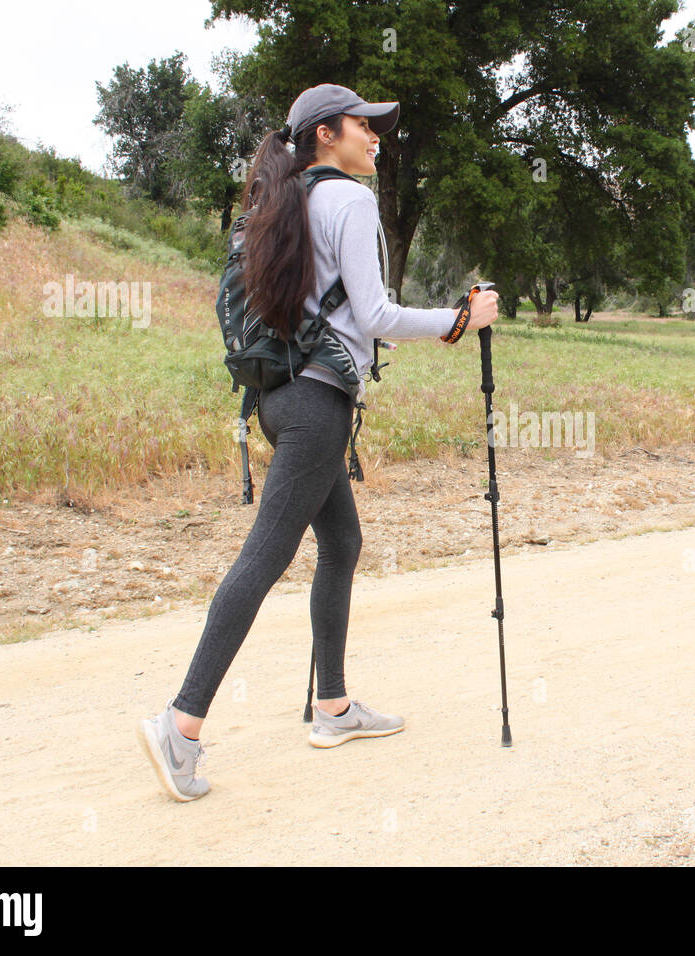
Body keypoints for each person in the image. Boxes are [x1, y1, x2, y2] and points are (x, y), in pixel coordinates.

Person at [137, 83, 498, 802]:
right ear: (327, 133)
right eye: (366, 127)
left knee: (341, 542)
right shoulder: (350, 201)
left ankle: (331, 706)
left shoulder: (282, 199)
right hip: (316, 405)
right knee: (265, 556)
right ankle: (180, 725)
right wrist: (462, 319)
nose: (377, 138)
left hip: (274, 399)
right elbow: (375, 315)